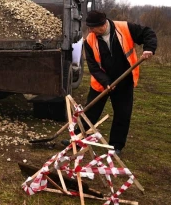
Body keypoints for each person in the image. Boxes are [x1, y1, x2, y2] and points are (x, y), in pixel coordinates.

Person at [62, 10, 157, 155]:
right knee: (90, 112)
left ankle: (116, 146)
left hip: (124, 80)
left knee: (122, 114)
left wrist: (149, 48)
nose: (90, 31)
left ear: (102, 25)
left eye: (92, 28)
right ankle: (78, 139)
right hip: (101, 82)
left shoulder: (125, 28)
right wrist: (106, 82)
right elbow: (93, 67)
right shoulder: (89, 40)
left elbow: (148, 33)